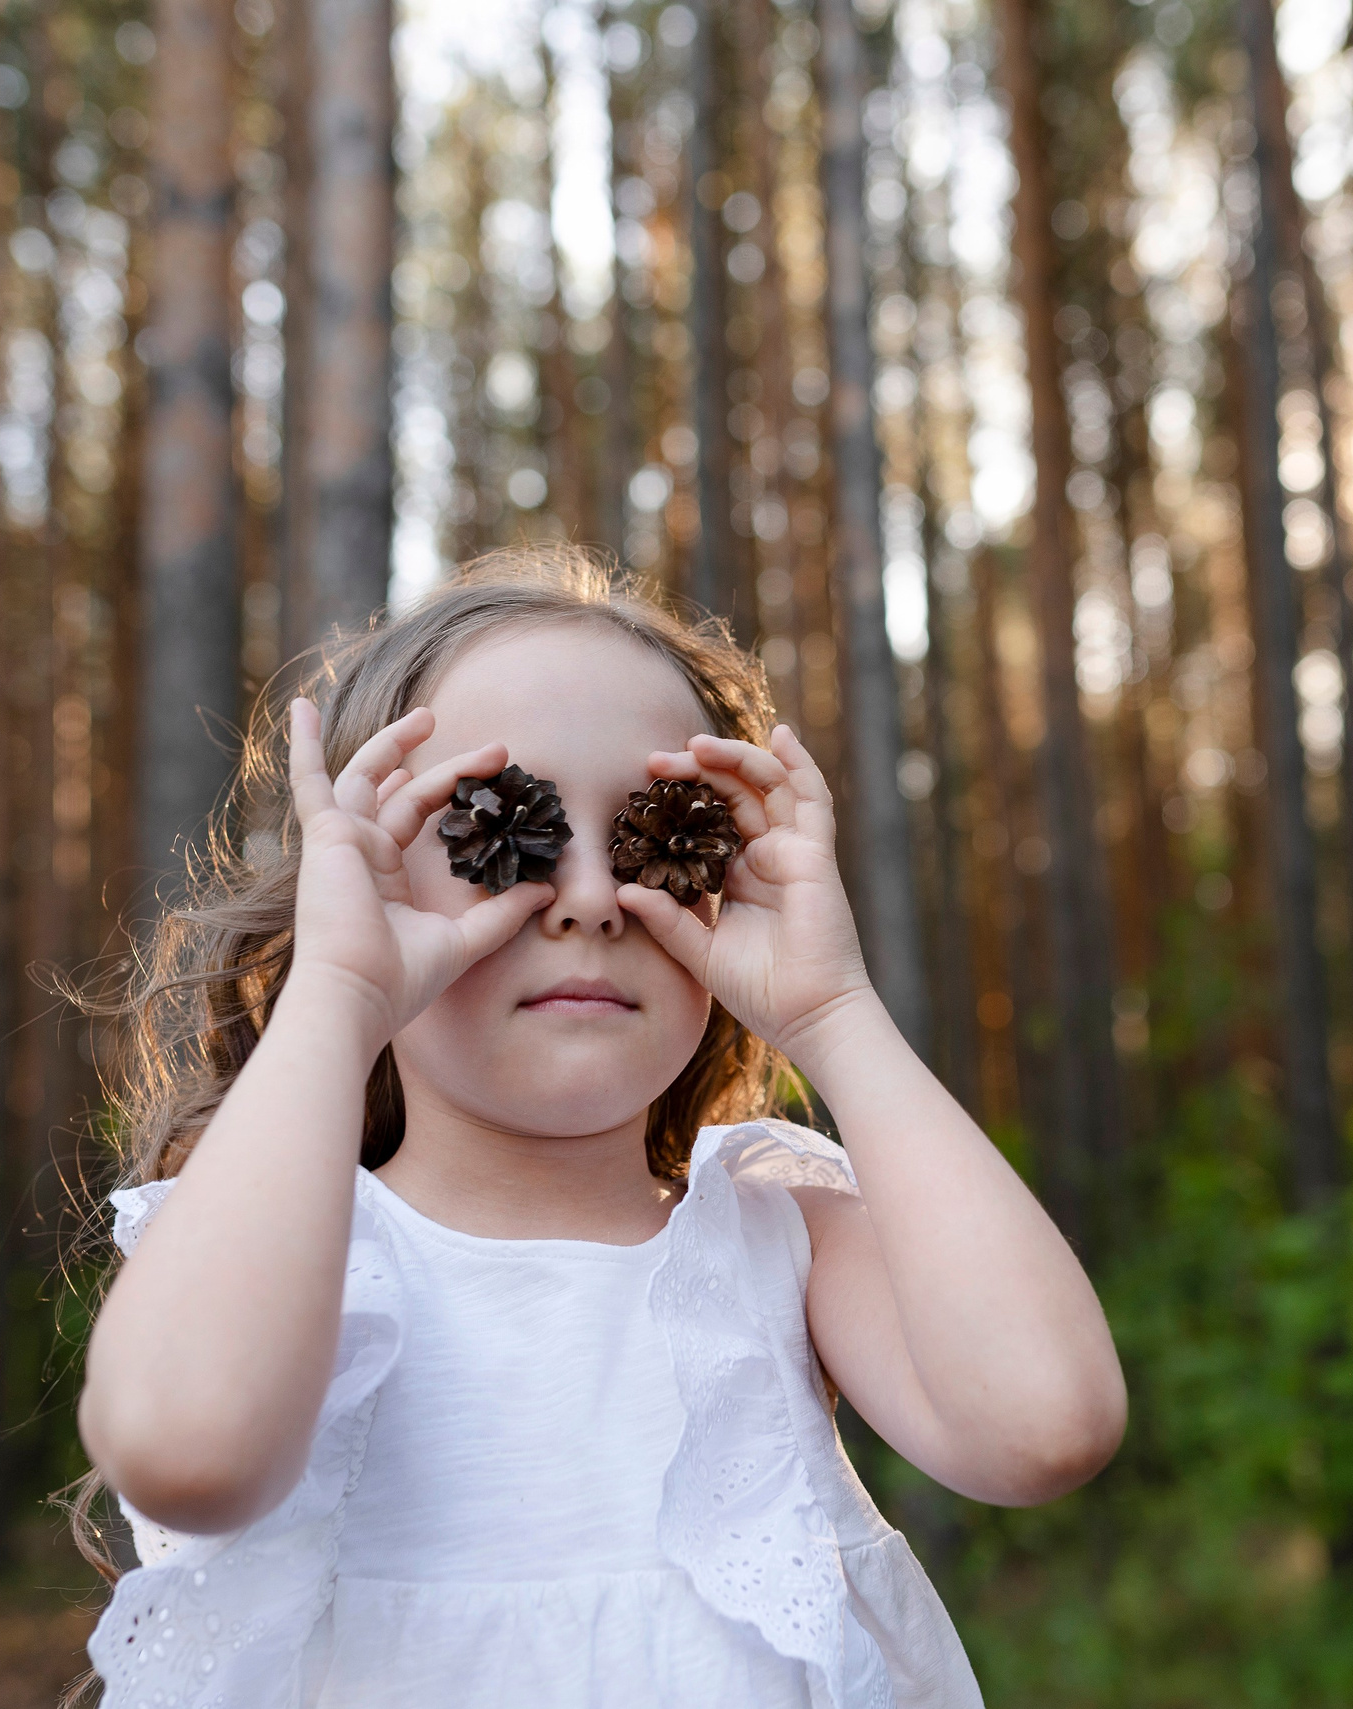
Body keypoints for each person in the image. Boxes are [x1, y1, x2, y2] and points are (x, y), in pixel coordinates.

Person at [75, 548, 1125, 1708]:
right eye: (500, 827)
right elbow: (184, 1449)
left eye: (658, 831)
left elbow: (1044, 1423)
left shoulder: (780, 1238)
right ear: (363, 876)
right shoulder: (298, 1255)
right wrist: (336, 989)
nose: (586, 897)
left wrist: (832, 1012)